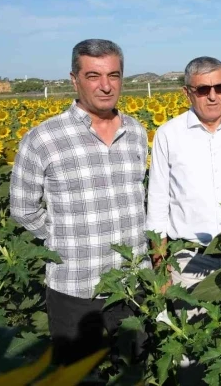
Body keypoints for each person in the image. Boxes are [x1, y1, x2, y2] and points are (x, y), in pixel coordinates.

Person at [10, 39, 148, 364]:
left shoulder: (137, 132)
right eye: (93, 76)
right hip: (74, 287)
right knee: (78, 375)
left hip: (132, 284)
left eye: (113, 75)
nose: (105, 86)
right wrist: (63, 240)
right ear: (74, 79)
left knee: (137, 369)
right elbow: (22, 209)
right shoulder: (43, 138)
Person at [146, 56, 221, 290]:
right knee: (194, 325)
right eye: (203, 90)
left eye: (220, 88)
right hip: (190, 262)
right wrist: (161, 268)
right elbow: (158, 206)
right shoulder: (169, 134)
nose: (213, 96)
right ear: (187, 93)